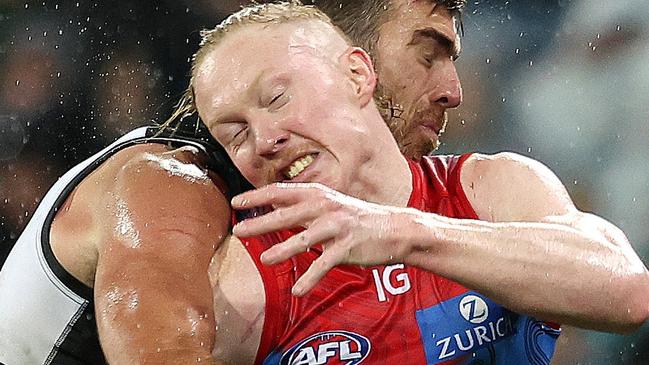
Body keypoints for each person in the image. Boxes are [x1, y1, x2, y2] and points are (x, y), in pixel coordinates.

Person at [180, 2, 648, 364]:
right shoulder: (249, 275)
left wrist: (401, 231)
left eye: (278, 99)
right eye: (235, 133)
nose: (264, 140)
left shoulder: (490, 187)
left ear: (358, 75)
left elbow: (628, 292)